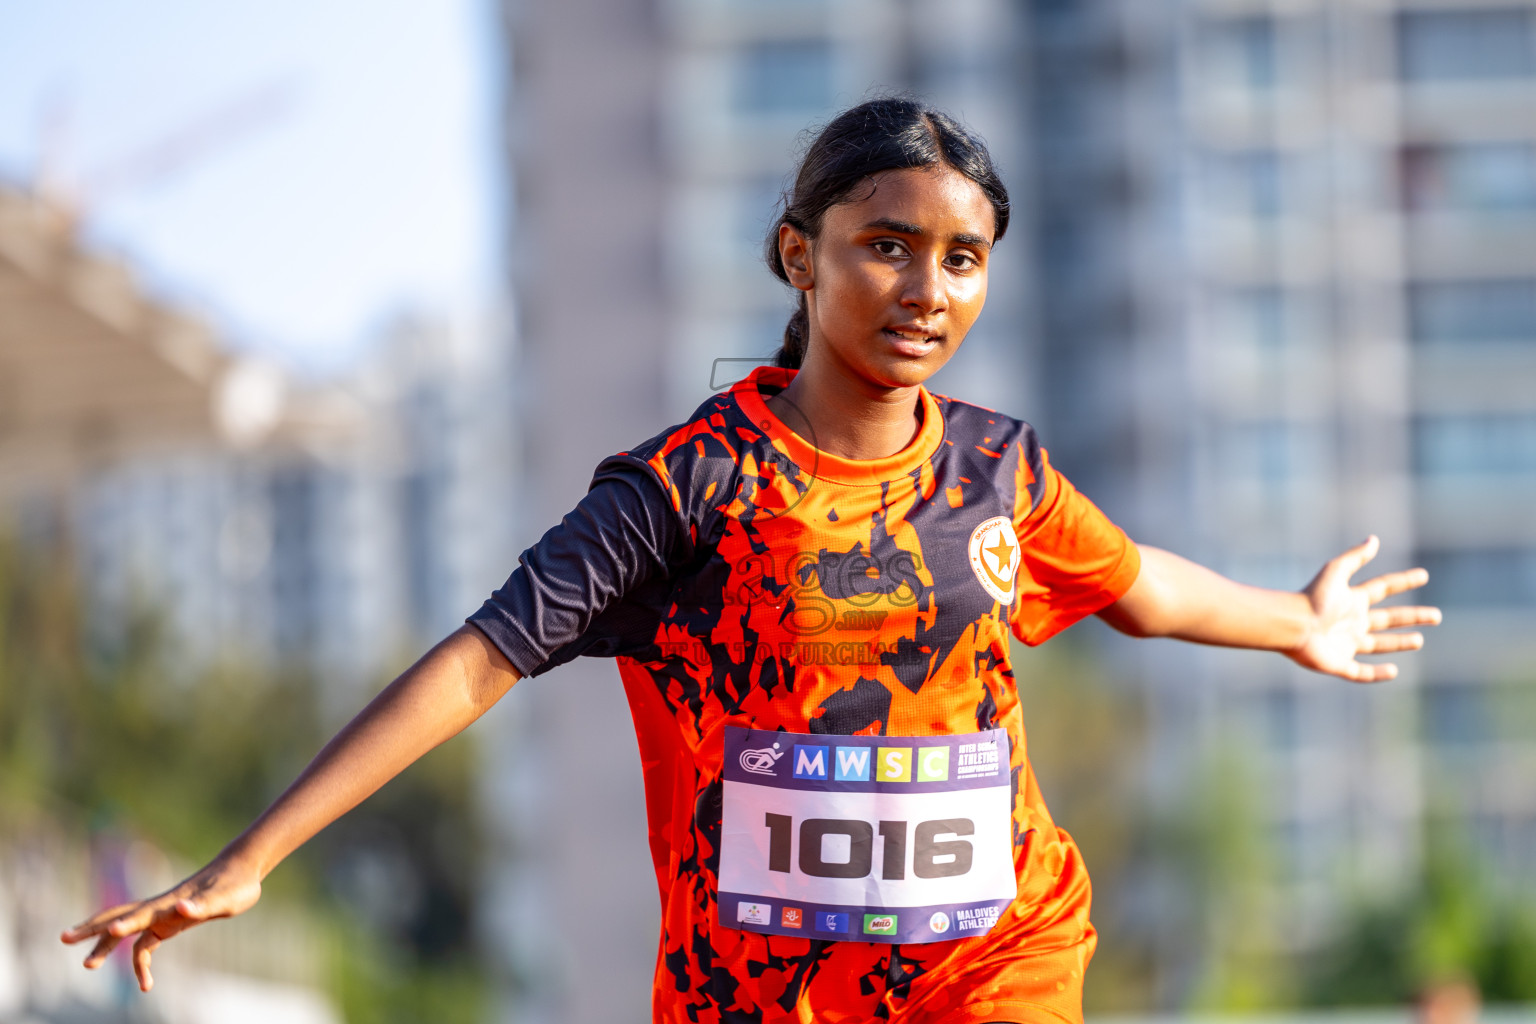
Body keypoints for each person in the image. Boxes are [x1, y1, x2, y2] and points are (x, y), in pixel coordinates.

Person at [62, 98, 1441, 1023]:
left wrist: (1295, 621)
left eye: (962, 259)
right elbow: (482, 656)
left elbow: (1135, 583)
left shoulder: (994, 468)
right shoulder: (687, 490)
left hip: (998, 952)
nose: (926, 289)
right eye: (885, 248)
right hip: (766, 989)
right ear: (801, 255)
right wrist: (256, 854)